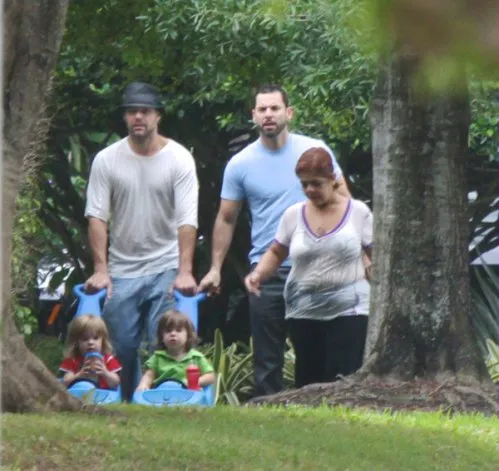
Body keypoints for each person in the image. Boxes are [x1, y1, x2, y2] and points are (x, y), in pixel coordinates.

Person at [197, 84, 350, 397]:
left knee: (315, 353)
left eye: (274, 108)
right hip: (266, 271)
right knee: (267, 358)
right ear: (254, 116)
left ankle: (318, 417)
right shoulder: (241, 164)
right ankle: (268, 414)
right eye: (262, 109)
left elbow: (344, 199)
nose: (268, 114)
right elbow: (227, 218)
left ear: (288, 113)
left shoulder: (315, 152)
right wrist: (215, 268)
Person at [84, 81, 199, 401]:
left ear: (157, 116)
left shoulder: (179, 158)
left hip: (165, 265)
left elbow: (187, 218)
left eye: (145, 111)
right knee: (120, 345)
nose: (138, 117)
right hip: (122, 268)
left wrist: (185, 271)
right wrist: (101, 269)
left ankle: (158, 403)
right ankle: (121, 405)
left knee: (161, 341)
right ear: (124, 117)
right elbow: (97, 216)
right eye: (132, 111)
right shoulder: (107, 159)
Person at [244, 147, 372, 388]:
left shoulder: (358, 212)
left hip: (350, 310)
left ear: (333, 179)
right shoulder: (293, 215)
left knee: (342, 378)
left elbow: (374, 253)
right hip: (303, 311)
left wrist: (372, 267)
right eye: (304, 185)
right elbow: (276, 251)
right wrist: (258, 274)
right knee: (308, 380)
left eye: (316, 183)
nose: (310, 190)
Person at [136, 310, 215, 391]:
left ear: (188, 335)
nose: (173, 334)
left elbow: (211, 376)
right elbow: (148, 376)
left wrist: (193, 382)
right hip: (162, 395)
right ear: (161, 337)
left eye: (178, 330)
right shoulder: (157, 358)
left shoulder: (196, 357)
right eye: (168, 331)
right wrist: (143, 385)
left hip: (188, 395)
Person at [59, 314, 122, 390]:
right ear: (76, 342)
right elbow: (65, 383)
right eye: (85, 339)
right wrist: (79, 375)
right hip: (79, 393)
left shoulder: (108, 360)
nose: (90, 342)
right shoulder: (73, 360)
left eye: (95, 338)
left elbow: (115, 384)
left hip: (103, 395)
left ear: (103, 340)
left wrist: (105, 373)